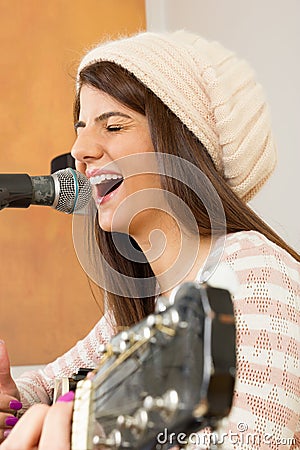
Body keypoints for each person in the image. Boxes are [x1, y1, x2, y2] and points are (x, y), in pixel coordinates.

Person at [0, 30, 299, 450]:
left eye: (114, 125)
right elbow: (49, 383)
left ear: (182, 144)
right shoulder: (144, 301)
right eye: (81, 128)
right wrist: (12, 404)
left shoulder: (252, 270)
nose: (79, 149)